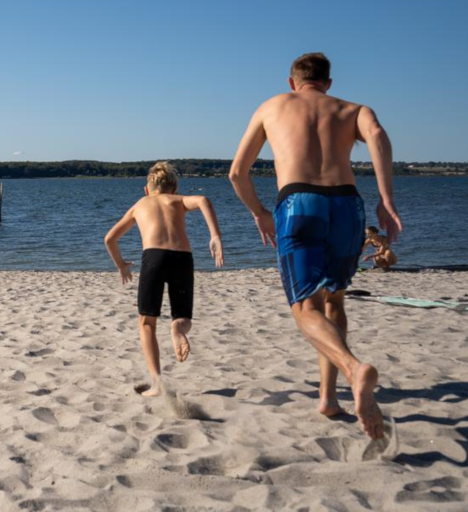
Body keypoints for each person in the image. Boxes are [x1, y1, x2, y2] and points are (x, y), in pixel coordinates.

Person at [229, 52, 402, 440]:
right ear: (328, 83)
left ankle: (353, 369)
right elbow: (377, 135)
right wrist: (386, 198)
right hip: (347, 204)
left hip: (298, 201)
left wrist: (259, 212)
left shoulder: (273, 105)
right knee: (334, 302)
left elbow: (237, 173)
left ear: (293, 82)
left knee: (306, 307)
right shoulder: (353, 109)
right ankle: (328, 398)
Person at [104, 162, 224, 397]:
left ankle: (157, 383)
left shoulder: (141, 205)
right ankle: (178, 329)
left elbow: (110, 238)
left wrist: (121, 265)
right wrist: (215, 236)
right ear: (175, 187)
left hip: (154, 258)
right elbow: (203, 201)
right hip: (182, 258)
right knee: (183, 316)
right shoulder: (178, 200)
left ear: (146, 189)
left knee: (147, 322)